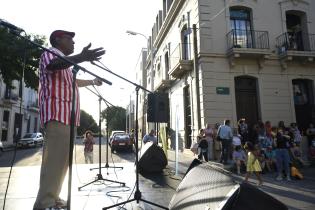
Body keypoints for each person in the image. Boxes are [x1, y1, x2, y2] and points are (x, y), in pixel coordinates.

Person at [33, 30, 105, 210]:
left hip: (68, 117)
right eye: (69, 39)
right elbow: (53, 65)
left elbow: (72, 81)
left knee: (62, 162)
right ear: (58, 40)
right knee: (54, 162)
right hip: (56, 114)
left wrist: (93, 81)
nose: (73, 42)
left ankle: (54, 198)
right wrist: (81, 56)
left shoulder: (65, 64)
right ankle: (44, 204)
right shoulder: (50, 54)